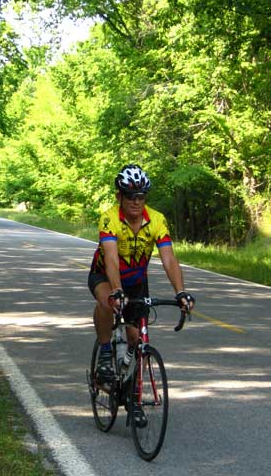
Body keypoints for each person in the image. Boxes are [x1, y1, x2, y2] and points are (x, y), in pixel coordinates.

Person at [88, 163, 195, 383]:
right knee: (109, 302)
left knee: (138, 340)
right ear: (119, 196)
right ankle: (106, 353)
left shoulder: (157, 220)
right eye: (130, 196)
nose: (136, 201)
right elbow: (110, 258)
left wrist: (181, 292)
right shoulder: (109, 219)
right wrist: (117, 290)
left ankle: (134, 393)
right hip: (105, 276)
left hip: (136, 281)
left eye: (141, 195)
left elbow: (168, 258)